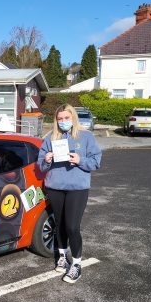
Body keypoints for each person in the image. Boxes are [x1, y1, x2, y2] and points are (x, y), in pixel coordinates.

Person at [37, 104, 102, 283]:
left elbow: (96, 161)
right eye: (60, 119)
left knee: (72, 226)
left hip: (77, 188)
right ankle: (62, 256)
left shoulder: (86, 136)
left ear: (73, 118)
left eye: (67, 118)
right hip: (55, 187)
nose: (64, 122)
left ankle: (76, 264)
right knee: (60, 225)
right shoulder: (50, 137)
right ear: (56, 121)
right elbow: (40, 165)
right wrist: (47, 160)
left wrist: (80, 160)